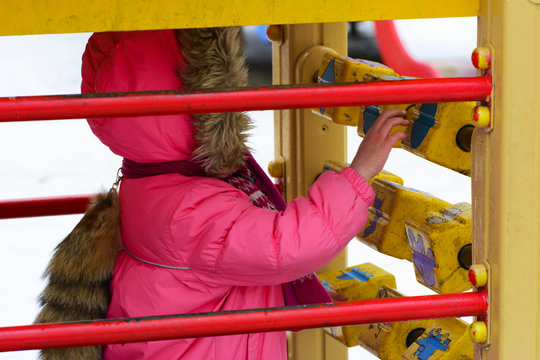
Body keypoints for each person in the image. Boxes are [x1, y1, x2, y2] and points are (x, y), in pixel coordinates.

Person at [37, 27, 408, 360]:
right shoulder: (191, 206)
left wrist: (288, 300)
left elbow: (206, 280)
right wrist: (361, 172)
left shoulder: (149, 179)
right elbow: (285, 246)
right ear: (200, 107)